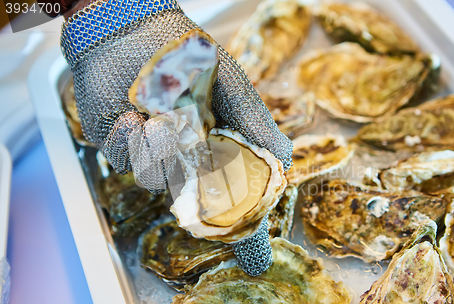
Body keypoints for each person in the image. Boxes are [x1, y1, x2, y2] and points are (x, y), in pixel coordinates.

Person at [39, 0, 293, 276]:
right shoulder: (95, 75)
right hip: (104, 53)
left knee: (209, 166)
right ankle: (252, 252)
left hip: (137, 35)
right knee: (168, 158)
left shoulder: (97, 66)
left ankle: (253, 250)